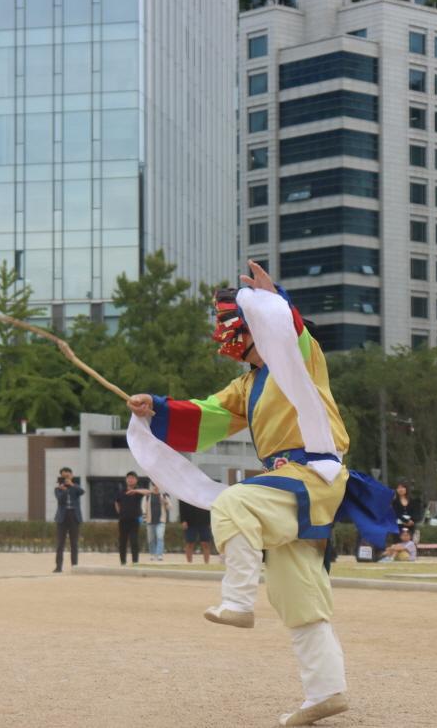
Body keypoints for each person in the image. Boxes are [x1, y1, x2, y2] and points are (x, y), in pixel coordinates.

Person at [125, 262, 396, 727]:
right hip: (289, 480)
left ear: (256, 325)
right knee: (297, 593)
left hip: (313, 470)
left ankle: (237, 600)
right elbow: (206, 415)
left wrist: (274, 301)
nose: (226, 338)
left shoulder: (300, 355)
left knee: (233, 501)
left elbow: (285, 326)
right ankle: (326, 692)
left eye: (235, 324)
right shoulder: (247, 384)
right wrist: (157, 408)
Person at [53, 467, 84, 573]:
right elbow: (60, 500)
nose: (65, 478)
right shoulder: (58, 489)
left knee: (74, 543)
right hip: (62, 517)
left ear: (71, 476)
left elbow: (82, 492)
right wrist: (65, 490)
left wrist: (71, 485)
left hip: (74, 516)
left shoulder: (76, 487)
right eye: (63, 476)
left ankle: (74, 566)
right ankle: (58, 567)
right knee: (60, 544)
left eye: (67, 475)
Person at [114, 471, 143, 565]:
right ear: (126, 480)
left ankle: (135, 562)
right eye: (129, 478)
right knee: (122, 541)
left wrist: (135, 491)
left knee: (134, 541)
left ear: (136, 480)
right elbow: (117, 502)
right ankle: (123, 561)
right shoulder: (121, 491)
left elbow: (148, 492)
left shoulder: (138, 492)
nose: (130, 479)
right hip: (123, 520)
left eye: (132, 478)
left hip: (134, 520)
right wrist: (120, 512)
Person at [140, 484, 171, 561]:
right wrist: (144, 518)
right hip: (150, 521)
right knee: (151, 539)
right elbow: (143, 507)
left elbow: (170, 507)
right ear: (151, 486)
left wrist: (165, 502)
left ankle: (159, 555)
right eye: (154, 485)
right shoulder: (147, 496)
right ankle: (152, 554)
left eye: (157, 485)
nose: (155, 487)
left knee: (160, 537)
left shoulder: (164, 496)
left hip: (161, 521)